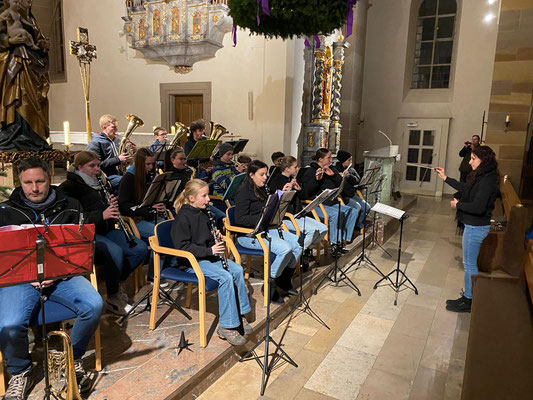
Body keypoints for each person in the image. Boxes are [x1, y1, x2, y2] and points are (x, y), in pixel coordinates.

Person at [0, 157, 103, 398]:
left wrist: (57, 272)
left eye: (40, 181)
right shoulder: (5, 212)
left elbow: (85, 248)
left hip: (63, 276)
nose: (34, 188)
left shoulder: (71, 206)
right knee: (8, 325)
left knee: (94, 305)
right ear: (20, 182)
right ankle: (21, 370)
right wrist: (25, 272)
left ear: (50, 179)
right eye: (27, 182)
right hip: (20, 278)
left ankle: (72, 358)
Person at [59, 151, 148, 316]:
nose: (97, 169)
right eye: (91, 166)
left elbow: (110, 207)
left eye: (98, 165)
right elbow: (71, 218)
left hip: (106, 229)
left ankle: (116, 281)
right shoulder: (69, 188)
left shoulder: (101, 182)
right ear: (79, 167)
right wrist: (101, 215)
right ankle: (113, 297)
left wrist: (112, 206)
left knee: (140, 248)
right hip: (87, 234)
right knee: (115, 251)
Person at [171, 179, 251, 346]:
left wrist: (215, 235)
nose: (209, 199)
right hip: (192, 262)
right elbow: (183, 247)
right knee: (225, 277)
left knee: (236, 270)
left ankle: (239, 313)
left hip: (206, 256)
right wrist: (210, 250)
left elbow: (204, 237)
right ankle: (227, 327)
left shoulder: (203, 212)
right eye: (204, 196)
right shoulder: (183, 218)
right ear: (191, 198)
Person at [435, 145, 499, 313]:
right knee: (469, 263)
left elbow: (478, 207)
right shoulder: (482, 176)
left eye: (473, 159)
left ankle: (469, 300)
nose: (470, 162)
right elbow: (465, 188)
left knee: (470, 265)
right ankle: (468, 297)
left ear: (483, 161)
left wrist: (458, 204)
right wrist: (445, 177)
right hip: (474, 226)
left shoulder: (488, 180)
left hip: (476, 227)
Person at [234, 160, 302, 303]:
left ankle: (284, 281)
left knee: (297, 245)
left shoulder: (261, 188)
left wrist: (281, 195)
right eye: (262, 174)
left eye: (266, 174)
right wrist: (263, 217)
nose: (265, 178)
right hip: (248, 234)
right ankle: (270, 284)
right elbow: (240, 218)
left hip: (264, 228)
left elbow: (268, 205)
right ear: (251, 175)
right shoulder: (243, 191)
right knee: (285, 249)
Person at [0, 0, 52, 152]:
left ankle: (33, 137)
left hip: (32, 64)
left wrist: (43, 44)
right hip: (14, 65)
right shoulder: (6, 13)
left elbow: (37, 38)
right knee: (18, 98)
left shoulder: (31, 19)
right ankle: (14, 134)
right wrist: (9, 41)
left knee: (35, 99)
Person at [118, 148, 168, 282]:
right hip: (134, 221)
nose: (151, 168)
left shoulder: (147, 175)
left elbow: (147, 200)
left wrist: (156, 204)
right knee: (161, 235)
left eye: (153, 164)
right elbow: (123, 206)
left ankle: (167, 268)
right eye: (148, 164)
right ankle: (154, 277)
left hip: (146, 216)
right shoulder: (128, 178)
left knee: (171, 228)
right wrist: (147, 209)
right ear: (140, 164)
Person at [269, 155, 328, 264]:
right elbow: (275, 202)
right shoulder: (276, 180)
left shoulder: (293, 179)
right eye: (295, 167)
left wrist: (299, 189)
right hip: (286, 217)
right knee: (312, 231)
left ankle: (303, 251)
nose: (297, 169)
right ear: (287, 168)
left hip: (298, 214)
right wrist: (284, 192)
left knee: (323, 228)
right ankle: (296, 256)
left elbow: (303, 195)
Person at [300, 148, 358, 249]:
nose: (331, 160)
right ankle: (335, 243)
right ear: (320, 159)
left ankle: (344, 239)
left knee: (352, 211)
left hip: (330, 202)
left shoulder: (331, 169)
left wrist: (333, 175)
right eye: (329, 158)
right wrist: (317, 179)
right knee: (336, 214)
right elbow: (306, 192)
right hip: (317, 204)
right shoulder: (311, 171)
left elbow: (341, 184)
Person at [86, 114, 132, 189]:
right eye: (113, 127)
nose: (116, 130)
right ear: (105, 127)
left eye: (117, 127)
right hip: (107, 176)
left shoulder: (117, 141)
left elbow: (124, 158)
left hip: (120, 173)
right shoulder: (95, 143)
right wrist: (118, 159)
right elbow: (96, 165)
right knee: (128, 181)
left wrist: (132, 152)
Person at [333, 150, 371, 231]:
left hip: (351, 194)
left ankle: (358, 226)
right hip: (343, 196)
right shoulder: (336, 169)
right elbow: (342, 187)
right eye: (349, 160)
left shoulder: (351, 170)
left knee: (367, 207)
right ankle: (348, 229)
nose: (351, 161)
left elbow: (358, 180)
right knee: (357, 207)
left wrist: (349, 176)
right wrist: (343, 177)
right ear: (343, 160)